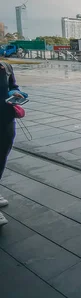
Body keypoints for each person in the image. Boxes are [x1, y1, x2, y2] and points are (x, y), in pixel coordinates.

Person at [1, 61, 27, 227]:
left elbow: (13, 86)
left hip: (6, 120)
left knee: (2, 155)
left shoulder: (6, 67)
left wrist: (15, 93)